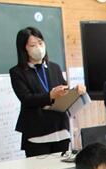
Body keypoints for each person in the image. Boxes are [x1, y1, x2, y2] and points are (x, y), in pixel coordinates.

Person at [10, 27, 86, 157]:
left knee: (62, 167)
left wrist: (75, 91)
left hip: (60, 129)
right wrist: (50, 95)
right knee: (39, 168)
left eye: (40, 43)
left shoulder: (54, 67)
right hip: (37, 132)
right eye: (33, 45)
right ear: (24, 48)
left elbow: (64, 90)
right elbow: (26, 98)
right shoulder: (17, 72)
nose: (38, 48)